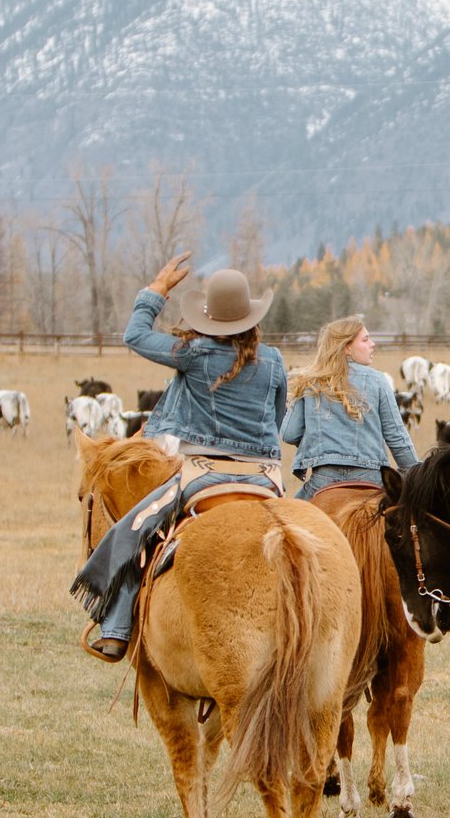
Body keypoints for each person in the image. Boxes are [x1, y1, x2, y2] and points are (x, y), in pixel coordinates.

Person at [73, 253, 287, 662]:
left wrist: (156, 292)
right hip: (267, 480)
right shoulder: (274, 361)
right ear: (251, 319)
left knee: (133, 532)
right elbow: (278, 420)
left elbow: (135, 336)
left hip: (201, 476)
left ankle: (116, 628)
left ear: (209, 319)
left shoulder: (193, 354)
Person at [281, 314, 418, 501]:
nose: (373, 344)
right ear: (346, 347)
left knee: (292, 523)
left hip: (324, 480)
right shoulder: (378, 380)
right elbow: (396, 436)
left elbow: (289, 433)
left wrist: (317, 436)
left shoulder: (310, 381)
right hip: (372, 477)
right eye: (365, 339)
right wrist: (416, 474)